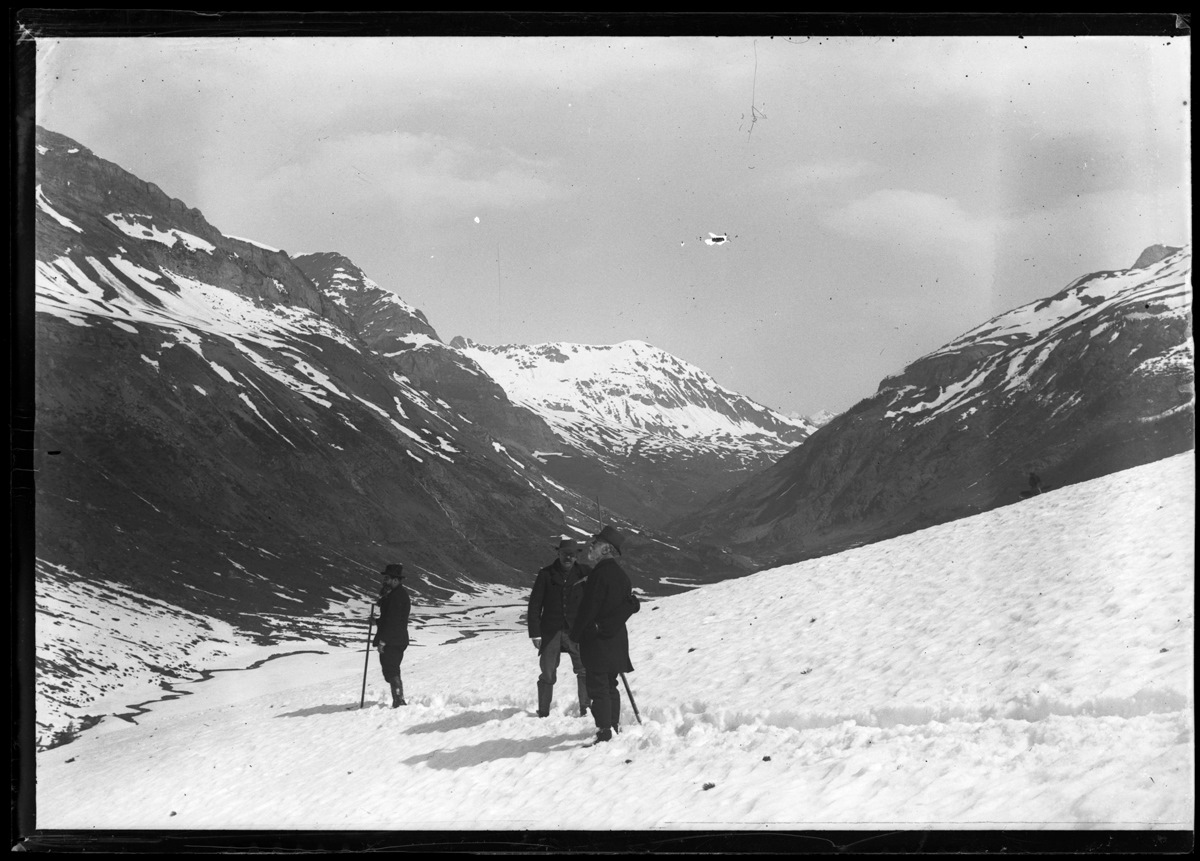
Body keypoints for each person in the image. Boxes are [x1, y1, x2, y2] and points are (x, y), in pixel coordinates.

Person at [570, 525, 640, 744]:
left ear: (607, 549)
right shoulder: (620, 575)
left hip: (597, 642)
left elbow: (589, 609)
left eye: (596, 544)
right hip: (616, 641)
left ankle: (604, 732)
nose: (591, 546)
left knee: (598, 687)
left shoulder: (599, 575)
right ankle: (613, 726)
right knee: (610, 685)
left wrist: (576, 634)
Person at [527, 537, 591, 718]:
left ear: (577, 555)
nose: (568, 558)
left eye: (571, 555)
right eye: (565, 554)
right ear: (558, 553)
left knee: (584, 670)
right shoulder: (546, 574)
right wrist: (535, 633)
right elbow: (534, 605)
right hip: (550, 631)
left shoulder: (585, 572)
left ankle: (586, 710)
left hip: (577, 631)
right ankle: (544, 712)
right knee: (547, 671)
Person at [373, 563, 411, 708]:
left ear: (396, 580)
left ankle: (399, 700)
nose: (384, 581)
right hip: (394, 638)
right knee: (388, 669)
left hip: (394, 640)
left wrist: (384, 641)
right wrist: (376, 621)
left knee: (392, 668)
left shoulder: (398, 597)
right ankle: (398, 698)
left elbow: (393, 622)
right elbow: (388, 618)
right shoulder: (394, 595)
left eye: (387, 578)